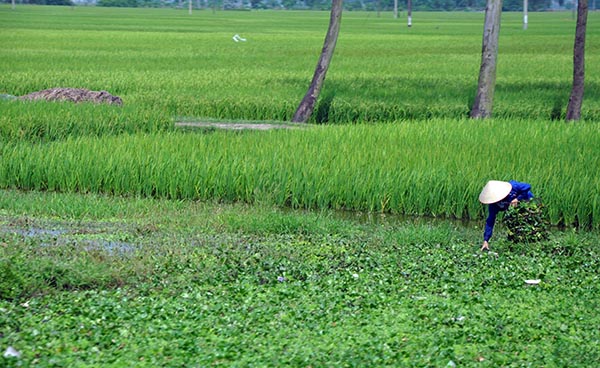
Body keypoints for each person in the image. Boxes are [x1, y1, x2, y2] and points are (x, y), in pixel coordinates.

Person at [479, 180, 534, 251]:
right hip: (513, 209)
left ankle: (530, 242)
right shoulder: (493, 205)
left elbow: (527, 186)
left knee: (528, 224)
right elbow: (490, 222)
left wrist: (517, 199)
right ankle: (516, 243)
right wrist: (486, 240)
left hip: (526, 202)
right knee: (513, 223)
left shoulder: (513, 186)